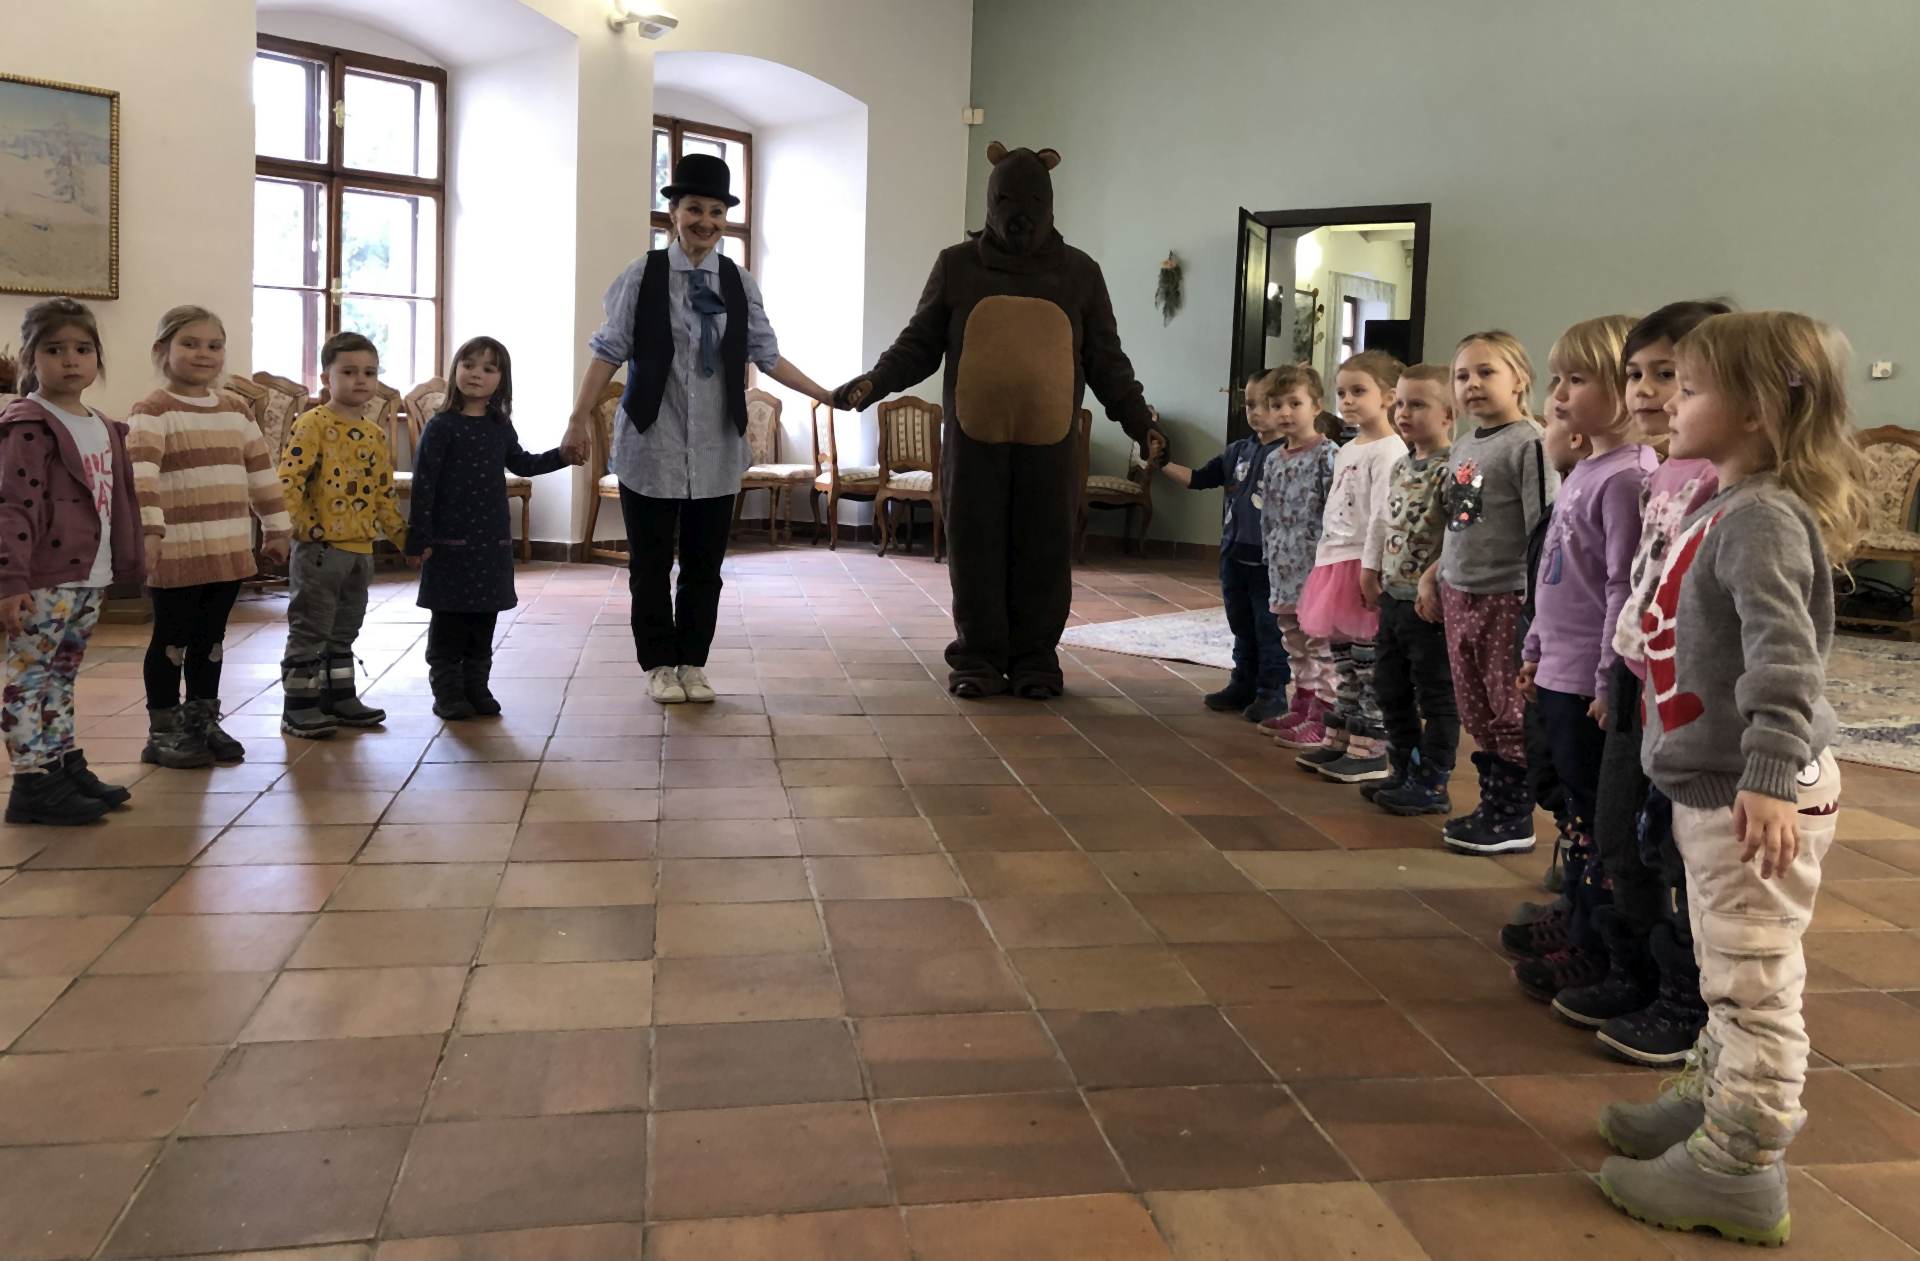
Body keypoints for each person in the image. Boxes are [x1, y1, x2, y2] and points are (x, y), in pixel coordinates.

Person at [1596, 311, 1871, 1249]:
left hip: (1756, 793)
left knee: (1754, 981)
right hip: (1720, 787)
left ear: (1755, 412)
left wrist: (1768, 770)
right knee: (1726, 965)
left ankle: (1740, 1162)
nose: (1669, 402)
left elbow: (1786, 659)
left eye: (1690, 387)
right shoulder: (1723, 499)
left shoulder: (1760, 518)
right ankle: (1716, 1100)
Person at [831, 143, 1165, 700]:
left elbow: (1107, 361)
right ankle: (979, 658)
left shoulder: (1080, 273)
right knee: (974, 547)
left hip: (1051, 443)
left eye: (1033, 201)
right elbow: (919, 343)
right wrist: (875, 382)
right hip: (973, 440)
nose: (1020, 213)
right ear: (990, 202)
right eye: (1007, 199)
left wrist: (1138, 420)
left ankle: (1036, 660)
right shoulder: (957, 266)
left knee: (1045, 550)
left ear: (1050, 204)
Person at [559, 155, 832, 706]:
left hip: (716, 448)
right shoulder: (642, 275)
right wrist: (577, 419)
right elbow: (607, 352)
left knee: (705, 568)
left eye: (715, 211)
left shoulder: (738, 282)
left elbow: (767, 356)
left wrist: (826, 394)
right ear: (673, 214)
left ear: (724, 219)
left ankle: (693, 663)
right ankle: (659, 665)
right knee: (651, 567)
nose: (705, 221)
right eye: (694, 209)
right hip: (651, 445)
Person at [1574, 300, 1730, 1065]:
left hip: (1686, 694)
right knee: (1618, 833)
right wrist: (1612, 671)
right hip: (1635, 676)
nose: (1645, 390)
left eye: (1669, 376)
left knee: (1673, 848)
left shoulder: (1719, 475)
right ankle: (1632, 965)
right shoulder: (1661, 469)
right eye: (1636, 373)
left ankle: (1685, 995)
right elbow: (1637, 580)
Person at [1513, 314, 1657, 1005]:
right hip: (1558, 667)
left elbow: (1621, 590)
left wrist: (1605, 680)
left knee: (1597, 817)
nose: (1560, 394)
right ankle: (1575, 910)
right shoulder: (1587, 468)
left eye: (1578, 379)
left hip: (1589, 683)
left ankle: (1597, 941)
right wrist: (1534, 648)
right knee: (1573, 807)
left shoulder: (1628, 478)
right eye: (1556, 379)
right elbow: (1555, 575)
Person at [0, 299, 155, 825]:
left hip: (90, 573)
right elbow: (12, 507)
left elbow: (120, 501)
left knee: (62, 675)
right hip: (44, 577)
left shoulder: (104, 426)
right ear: (30, 358)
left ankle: (62, 763)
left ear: (97, 359)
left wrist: (126, 562)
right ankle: (32, 782)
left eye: (83, 349)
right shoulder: (28, 425)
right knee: (29, 677)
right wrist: (11, 580)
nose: (70, 360)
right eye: (54, 349)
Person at [127, 306, 291, 767]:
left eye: (214, 345)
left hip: (227, 550)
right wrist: (150, 532)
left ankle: (201, 721)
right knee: (172, 639)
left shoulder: (236, 410)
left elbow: (261, 472)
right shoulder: (152, 411)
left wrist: (277, 527)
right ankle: (163, 731)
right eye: (190, 344)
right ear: (162, 350)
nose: (204, 353)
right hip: (176, 553)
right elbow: (142, 480)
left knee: (211, 640)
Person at [1419, 330, 1558, 854]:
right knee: (1474, 704)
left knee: (1508, 707)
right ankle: (1491, 802)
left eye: (1486, 372)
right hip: (1460, 592)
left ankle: (1512, 816)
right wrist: (1435, 573)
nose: (1472, 384)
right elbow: (1461, 522)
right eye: (1462, 376)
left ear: (1519, 379)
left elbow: (1544, 529)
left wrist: (1536, 607)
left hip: (1505, 595)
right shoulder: (1465, 444)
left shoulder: (1530, 443)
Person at [407, 336, 577, 719]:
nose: (476, 374)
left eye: (488, 368)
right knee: (449, 620)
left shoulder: (499, 426)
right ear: (455, 369)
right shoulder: (441, 427)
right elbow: (424, 486)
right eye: (468, 364)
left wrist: (562, 456)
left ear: (502, 379)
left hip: (491, 544)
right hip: (449, 545)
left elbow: (522, 463)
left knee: (483, 620)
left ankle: (476, 687)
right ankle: (447, 692)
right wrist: (420, 537)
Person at [276, 331, 413, 738]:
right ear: (326, 378)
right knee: (310, 628)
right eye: (349, 372)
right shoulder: (312, 424)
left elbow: (384, 493)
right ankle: (299, 707)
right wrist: (287, 528)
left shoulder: (374, 433)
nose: (361, 380)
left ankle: (338, 696)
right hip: (319, 549)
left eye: (369, 372)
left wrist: (404, 540)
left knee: (345, 628)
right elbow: (289, 480)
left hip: (360, 551)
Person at [1294, 351, 1409, 782]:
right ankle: (1340, 736)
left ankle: (1371, 748)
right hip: (1335, 560)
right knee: (1342, 659)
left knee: (1368, 662)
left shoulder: (1390, 449)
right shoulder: (1346, 449)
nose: (1347, 400)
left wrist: (1372, 567)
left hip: (1363, 563)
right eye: (1342, 392)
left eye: (1359, 391)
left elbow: (1383, 514)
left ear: (1389, 397)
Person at [1158, 371, 1290, 722]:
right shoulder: (1237, 452)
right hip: (1234, 555)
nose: (1256, 412)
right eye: (1250, 404)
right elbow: (1199, 478)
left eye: (1267, 404)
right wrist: (1161, 463)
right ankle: (1242, 683)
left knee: (1269, 629)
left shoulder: (1292, 455)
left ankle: (1272, 692)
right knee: (1241, 625)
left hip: (1270, 562)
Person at [1362, 363, 1458, 814]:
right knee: (1390, 688)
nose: (1403, 413)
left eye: (1417, 404)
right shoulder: (1401, 464)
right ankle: (1403, 767)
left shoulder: (1455, 468)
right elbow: (1384, 520)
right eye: (1399, 403)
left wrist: (1433, 580)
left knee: (1436, 695)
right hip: (1393, 596)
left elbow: (1461, 534)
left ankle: (1433, 781)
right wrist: (1371, 568)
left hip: (1429, 605)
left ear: (1449, 415)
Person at [1255, 366, 1338, 745]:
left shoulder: (1328, 455)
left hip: (1316, 566)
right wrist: (1268, 553)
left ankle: (1325, 714)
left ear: (1316, 406)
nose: (1285, 412)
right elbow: (1268, 513)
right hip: (1282, 565)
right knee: (1293, 637)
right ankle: (1302, 703)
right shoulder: (1273, 459)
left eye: (1295, 403)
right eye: (1277, 405)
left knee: (1320, 640)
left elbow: (1336, 512)